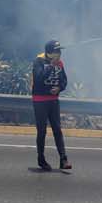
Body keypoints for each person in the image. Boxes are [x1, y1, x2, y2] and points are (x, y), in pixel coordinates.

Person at [31, 39, 72, 171]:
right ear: (49, 52)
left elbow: (64, 81)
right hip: (40, 101)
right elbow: (38, 79)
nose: (59, 53)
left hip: (53, 100)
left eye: (60, 51)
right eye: (56, 51)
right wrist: (50, 67)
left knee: (57, 129)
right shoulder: (39, 61)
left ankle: (63, 159)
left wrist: (59, 88)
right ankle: (41, 159)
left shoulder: (60, 63)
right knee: (42, 131)